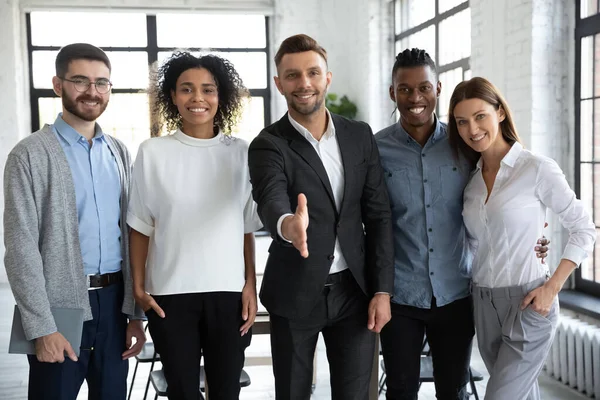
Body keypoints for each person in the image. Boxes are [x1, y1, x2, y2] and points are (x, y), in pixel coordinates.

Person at [375, 49, 549, 400]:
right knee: (399, 390)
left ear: (438, 88)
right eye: (404, 89)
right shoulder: (376, 149)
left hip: (457, 293)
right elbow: (370, 219)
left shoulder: (466, 145)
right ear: (392, 93)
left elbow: (506, 196)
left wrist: (538, 236)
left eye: (423, 87)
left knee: (453, 391)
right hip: (401, 296)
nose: (415, 98)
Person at [248, 34, 394, 400]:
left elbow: (378, 216)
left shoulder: (359, 135)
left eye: (313, 72)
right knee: (293, 393)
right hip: (295, 291)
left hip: (354, 291)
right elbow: (271, 198)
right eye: (293, 75)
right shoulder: (268, 143)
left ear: (327, 77)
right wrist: (288, 226)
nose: (304, 83)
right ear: (279, 83)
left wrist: (382, 289)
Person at [3, 43, 145, 400]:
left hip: (114, 303)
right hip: (58, 305)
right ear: (57, 84)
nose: (92, 92)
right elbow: (20, 249)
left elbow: (130, 237)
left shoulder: (119, 151)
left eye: (102, 83)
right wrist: (41, 327)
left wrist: (134, 314)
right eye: (80, 81)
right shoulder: (29, 154)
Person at [447, 76, 595, 400]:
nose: (472, 129)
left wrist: (552, 287)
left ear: (499, 113)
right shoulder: (470, 182)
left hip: (529, 304)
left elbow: (584, 227)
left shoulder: (536, 168)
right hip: (483, 304)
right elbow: (476, 244)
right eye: (462, 122)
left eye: (480, 116)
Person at [128, 51, 262, 400]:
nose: (198, 98)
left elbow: (245, 227)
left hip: (229, 294)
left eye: (208, 89)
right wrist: (139, 289)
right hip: (169, 295)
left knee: (226, 391)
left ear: (222, 96)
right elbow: (140, 224)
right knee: (183, 392)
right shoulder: (153, 152)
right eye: (186, 89)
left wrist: (250, 284)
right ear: (173, 96)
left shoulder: (242, 152)